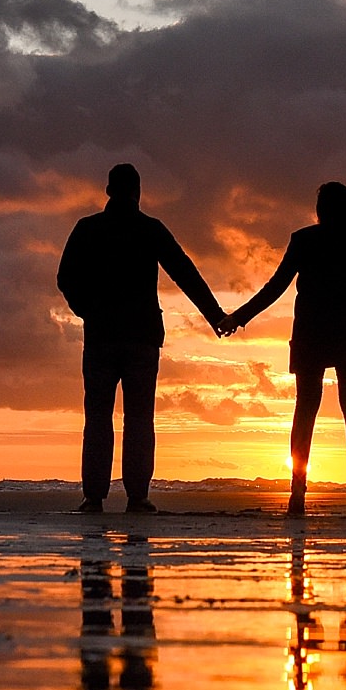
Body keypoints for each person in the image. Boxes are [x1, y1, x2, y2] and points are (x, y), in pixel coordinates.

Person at [57, 163, 228, 514]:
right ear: (137, 193)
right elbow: (185, 273)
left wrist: (87, 309)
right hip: (141, 337)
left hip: (102, 336)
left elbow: (66, 278)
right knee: (139, 418)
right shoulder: (149, 229)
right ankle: (137, 496)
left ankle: (94, 497)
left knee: (98, 417)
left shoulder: (89, 228)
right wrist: (215, 316)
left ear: (109, 191)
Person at [223, 182, 346, 515]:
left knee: (305, 409)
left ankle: (297, 493)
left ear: (321, 210)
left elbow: (275, 287)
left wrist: (238, 317)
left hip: (310, 332)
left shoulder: (304, 240)